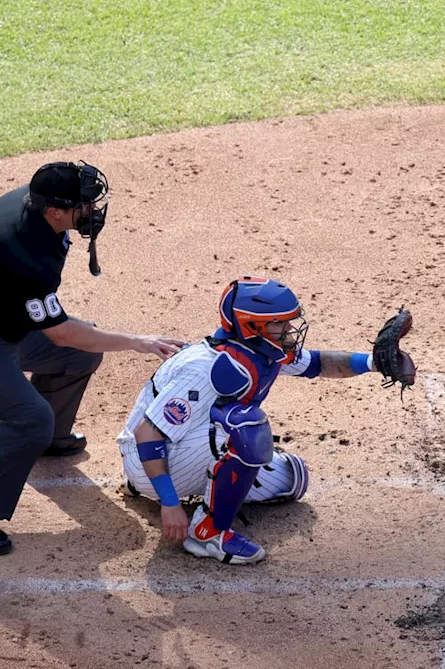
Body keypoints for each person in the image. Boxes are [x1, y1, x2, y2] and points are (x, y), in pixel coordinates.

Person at [116, 276, 415, 564]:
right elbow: (148, 433)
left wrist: (373, 363)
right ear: (252, 327)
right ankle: (208, 533)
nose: (289, 330)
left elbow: (319, 363)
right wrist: (169, 502)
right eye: (280, 324)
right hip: (148, 457)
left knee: (294, 479)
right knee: (245, 428)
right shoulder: (206, 369)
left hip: (177, 449)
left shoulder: (260, 351)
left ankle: (204, 485)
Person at [0, 161, 183, 556]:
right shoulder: (24, 255)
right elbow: (62, 332)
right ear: (55, 212)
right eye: (82, 205)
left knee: (80, 355)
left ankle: (49, 442)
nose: (91, 211)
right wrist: (138, 341)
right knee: (31, 418)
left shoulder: (32, 206)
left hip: (8, 322)